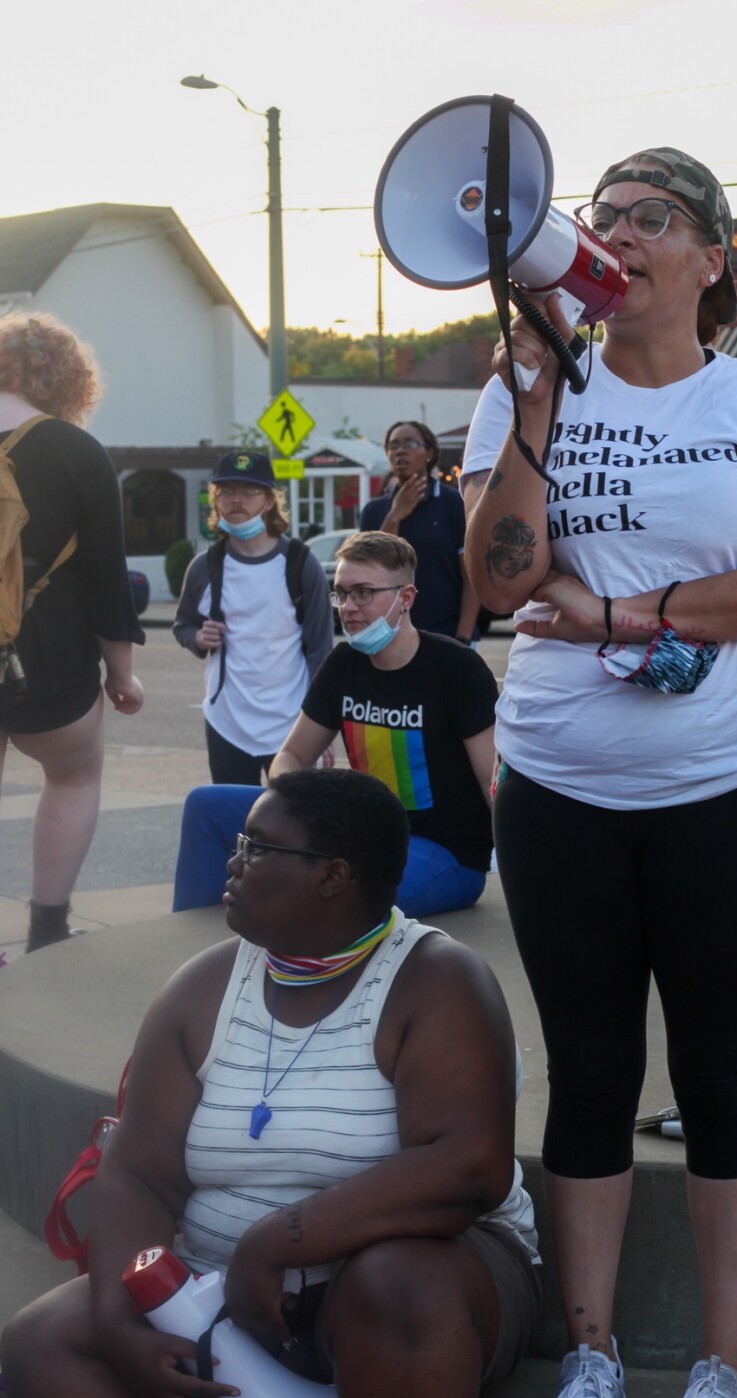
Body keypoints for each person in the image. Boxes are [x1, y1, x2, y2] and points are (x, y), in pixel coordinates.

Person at [1, 769, 540, 1398]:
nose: (230, 862)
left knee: (394, 1286)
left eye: (257, 848)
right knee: (40, 1342)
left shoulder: (436, 979)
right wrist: (124, 1318)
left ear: (335, 874)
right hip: (226, 1291)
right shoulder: (205, 986)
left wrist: (280, 1239)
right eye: (239, 845)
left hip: (419, 1277)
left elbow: (467, 1165)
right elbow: (138, 1174)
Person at [460, 147, 737, 1398]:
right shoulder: (523, 394)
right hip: (562, 790)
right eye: (604, 217)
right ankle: (593, 1357)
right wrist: (530, 411)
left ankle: (723, 1373)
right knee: (590, 1079)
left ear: (709, 258)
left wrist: (623, 613)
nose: (617, 237)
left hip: (724, 790)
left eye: (651, 221)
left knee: (722, 1078)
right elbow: (501, 578)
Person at [172, 531, 497, 918]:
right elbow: (290, 754)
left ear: (405, 598)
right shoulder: (344, 665)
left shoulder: (457, 669)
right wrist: (301, 799)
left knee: (341, 893)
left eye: (362, 592)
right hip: (360, 832)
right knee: (205, 807)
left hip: (443, 851)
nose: (347, 607)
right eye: (340, 593)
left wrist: (524, 875)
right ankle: (208, 954)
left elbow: (492, 781)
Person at [0, 312, 144, 952]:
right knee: (73, 776)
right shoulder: (76, 450)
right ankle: (47, 928)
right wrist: (121, 671)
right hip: (46, 656)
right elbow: (107, 578)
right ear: (67, 378)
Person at [172, 451, 333, 784]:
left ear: (269, 501)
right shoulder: (205, 566)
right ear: (216, 499)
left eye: (249, 491)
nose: (236, 500)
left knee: (293, 825)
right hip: (226, 722)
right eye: (227, 491)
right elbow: (183, 625)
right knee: (236, 822)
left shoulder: (300, 563)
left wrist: (321, 727)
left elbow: (320, 650)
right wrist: (198, 638)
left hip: (291, 724)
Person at [360, 421, 481, 642]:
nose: (401, 451)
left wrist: (462, 637)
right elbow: (370, 573)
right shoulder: (374, 511)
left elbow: (472, 578)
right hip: (390, 637)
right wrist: (395, 516)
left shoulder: (454, 504)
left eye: (410, 443)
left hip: (447, 636)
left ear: (429, 453)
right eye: (393, 446)